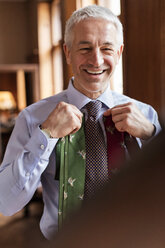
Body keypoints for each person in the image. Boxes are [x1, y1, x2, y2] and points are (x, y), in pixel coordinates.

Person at [0, 5, 161, 240]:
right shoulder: (33, 118)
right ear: (67, 52)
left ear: (119, 52)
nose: (96, 60)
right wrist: (46, 135)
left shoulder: (146, 115)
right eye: (85, 48)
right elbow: (6, 203)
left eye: (106, 48)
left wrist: (152, 135)